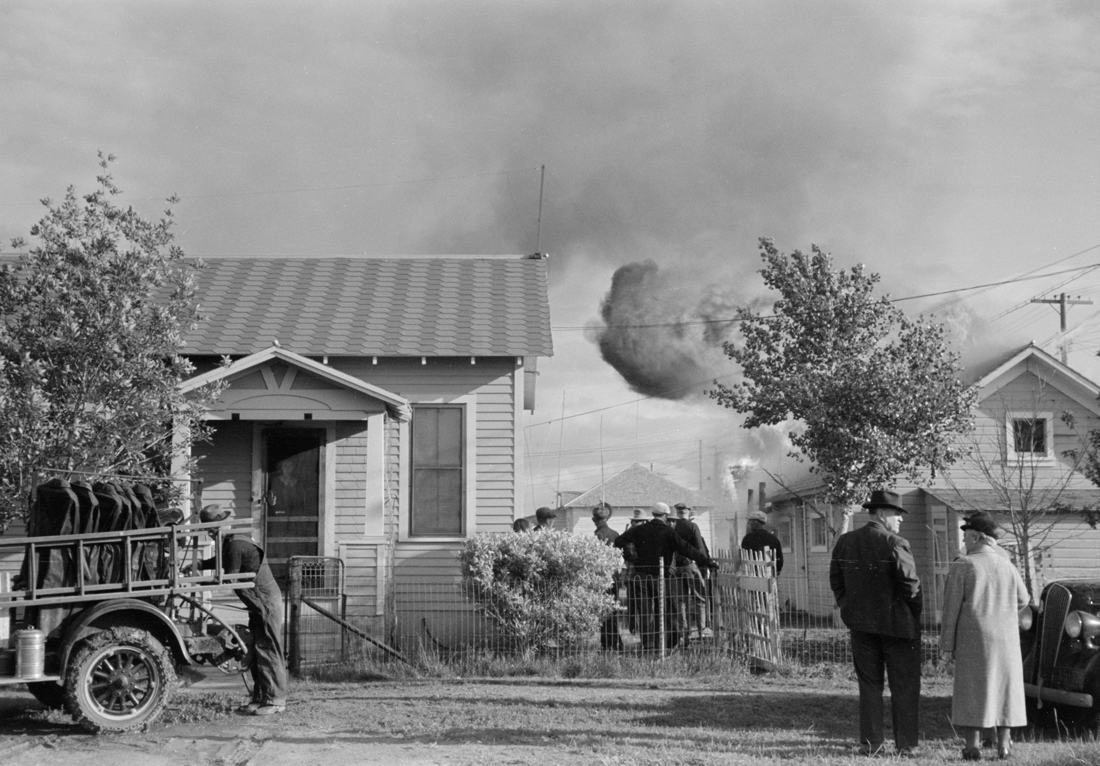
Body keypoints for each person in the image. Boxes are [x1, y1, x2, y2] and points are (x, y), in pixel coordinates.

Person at [830, 489, 922, 756]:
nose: (900, 520)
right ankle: (906, 746)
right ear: (882, 514)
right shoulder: (896, 543)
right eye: (897, 514)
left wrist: (849, 608)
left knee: (869, 685)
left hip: (861, 626)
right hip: (898, 627)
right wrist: (914, 616)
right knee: (904, 686)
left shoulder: (846, 542)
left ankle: (872, 744)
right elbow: (911, 586)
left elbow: (836, 581)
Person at [939, 512, 1029, 761]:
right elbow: (1024, 599)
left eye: (966, 535)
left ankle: (973, 746)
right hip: (1006, 639)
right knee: (1005, 689)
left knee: (972, 690)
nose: (964, 541)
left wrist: (947, 644)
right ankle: (1004, 745)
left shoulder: (963, 564)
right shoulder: (1007, 565)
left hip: (974, 637)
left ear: (977, 536)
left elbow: (951, 608)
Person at [185, 505, 287, 716]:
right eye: (209, 531)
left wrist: (196, 581)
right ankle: (260, 698)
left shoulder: (235, 544)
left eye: (212, 530)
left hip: (265, 603)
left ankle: (276, 700)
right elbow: (222, 562)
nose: (211, 534)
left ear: (219, 526)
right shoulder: (233, 540)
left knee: (268, 650)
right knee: (256, 651)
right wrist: (200, 565)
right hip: (258, 604)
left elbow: (227, 576)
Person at [614, 502, 718, 650]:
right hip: (661, 578)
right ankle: (665, 644)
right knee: (664, 611)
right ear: (665, 515)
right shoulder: (668, 532)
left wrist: (632, 556)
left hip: (641, 576)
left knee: (645, 612)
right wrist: (707, 561)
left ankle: (648, 644)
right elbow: (688, 549)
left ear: (653, 514)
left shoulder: (639, 530)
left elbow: (619, 541)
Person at [670, 502, 709, 639]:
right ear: (688, 512)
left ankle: (684, 633)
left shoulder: (671, 526)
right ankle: (701, 631)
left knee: (680, 601)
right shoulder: (692, 526)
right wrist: (704, 565)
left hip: (675, 568)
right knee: (699, 599)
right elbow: (699, 548)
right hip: (690, 566)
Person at [590, 502, 622, 650]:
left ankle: (607, 645)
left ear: (593, 520)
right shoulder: (615, 534)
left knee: (605, 612)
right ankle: (616, 643)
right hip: (614, 576)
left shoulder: (598, 535)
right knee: (612, 611)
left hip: (602, 578)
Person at [740, 509, 784, 575]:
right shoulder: (774, 539)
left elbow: (743, 557)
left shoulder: (748, 538)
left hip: (752, 576)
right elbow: (779, 559)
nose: (748, 523)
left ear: (756, 523)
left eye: (750, 521)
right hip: (769, 575)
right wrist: (775, 573)